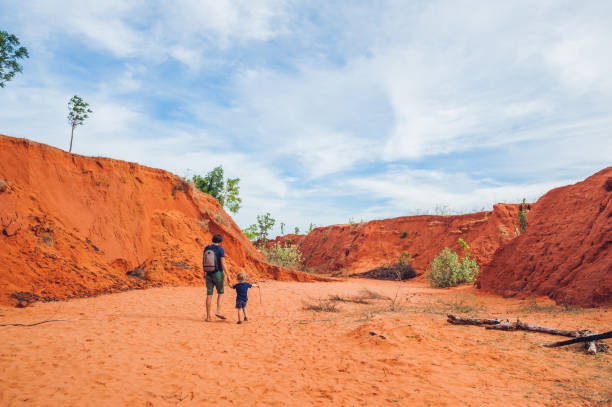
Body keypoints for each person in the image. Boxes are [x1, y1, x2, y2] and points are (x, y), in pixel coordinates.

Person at [203, 234, 231, 322]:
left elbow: (203, 261)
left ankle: (208, 317)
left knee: (209, 294)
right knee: (221, 292)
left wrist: (204, 272)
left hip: (208, 273)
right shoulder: (220, 249)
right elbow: (223, 263)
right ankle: (218, 311)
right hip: (218, 273)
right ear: (220, 241)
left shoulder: (206, 248)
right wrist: (228, 275)